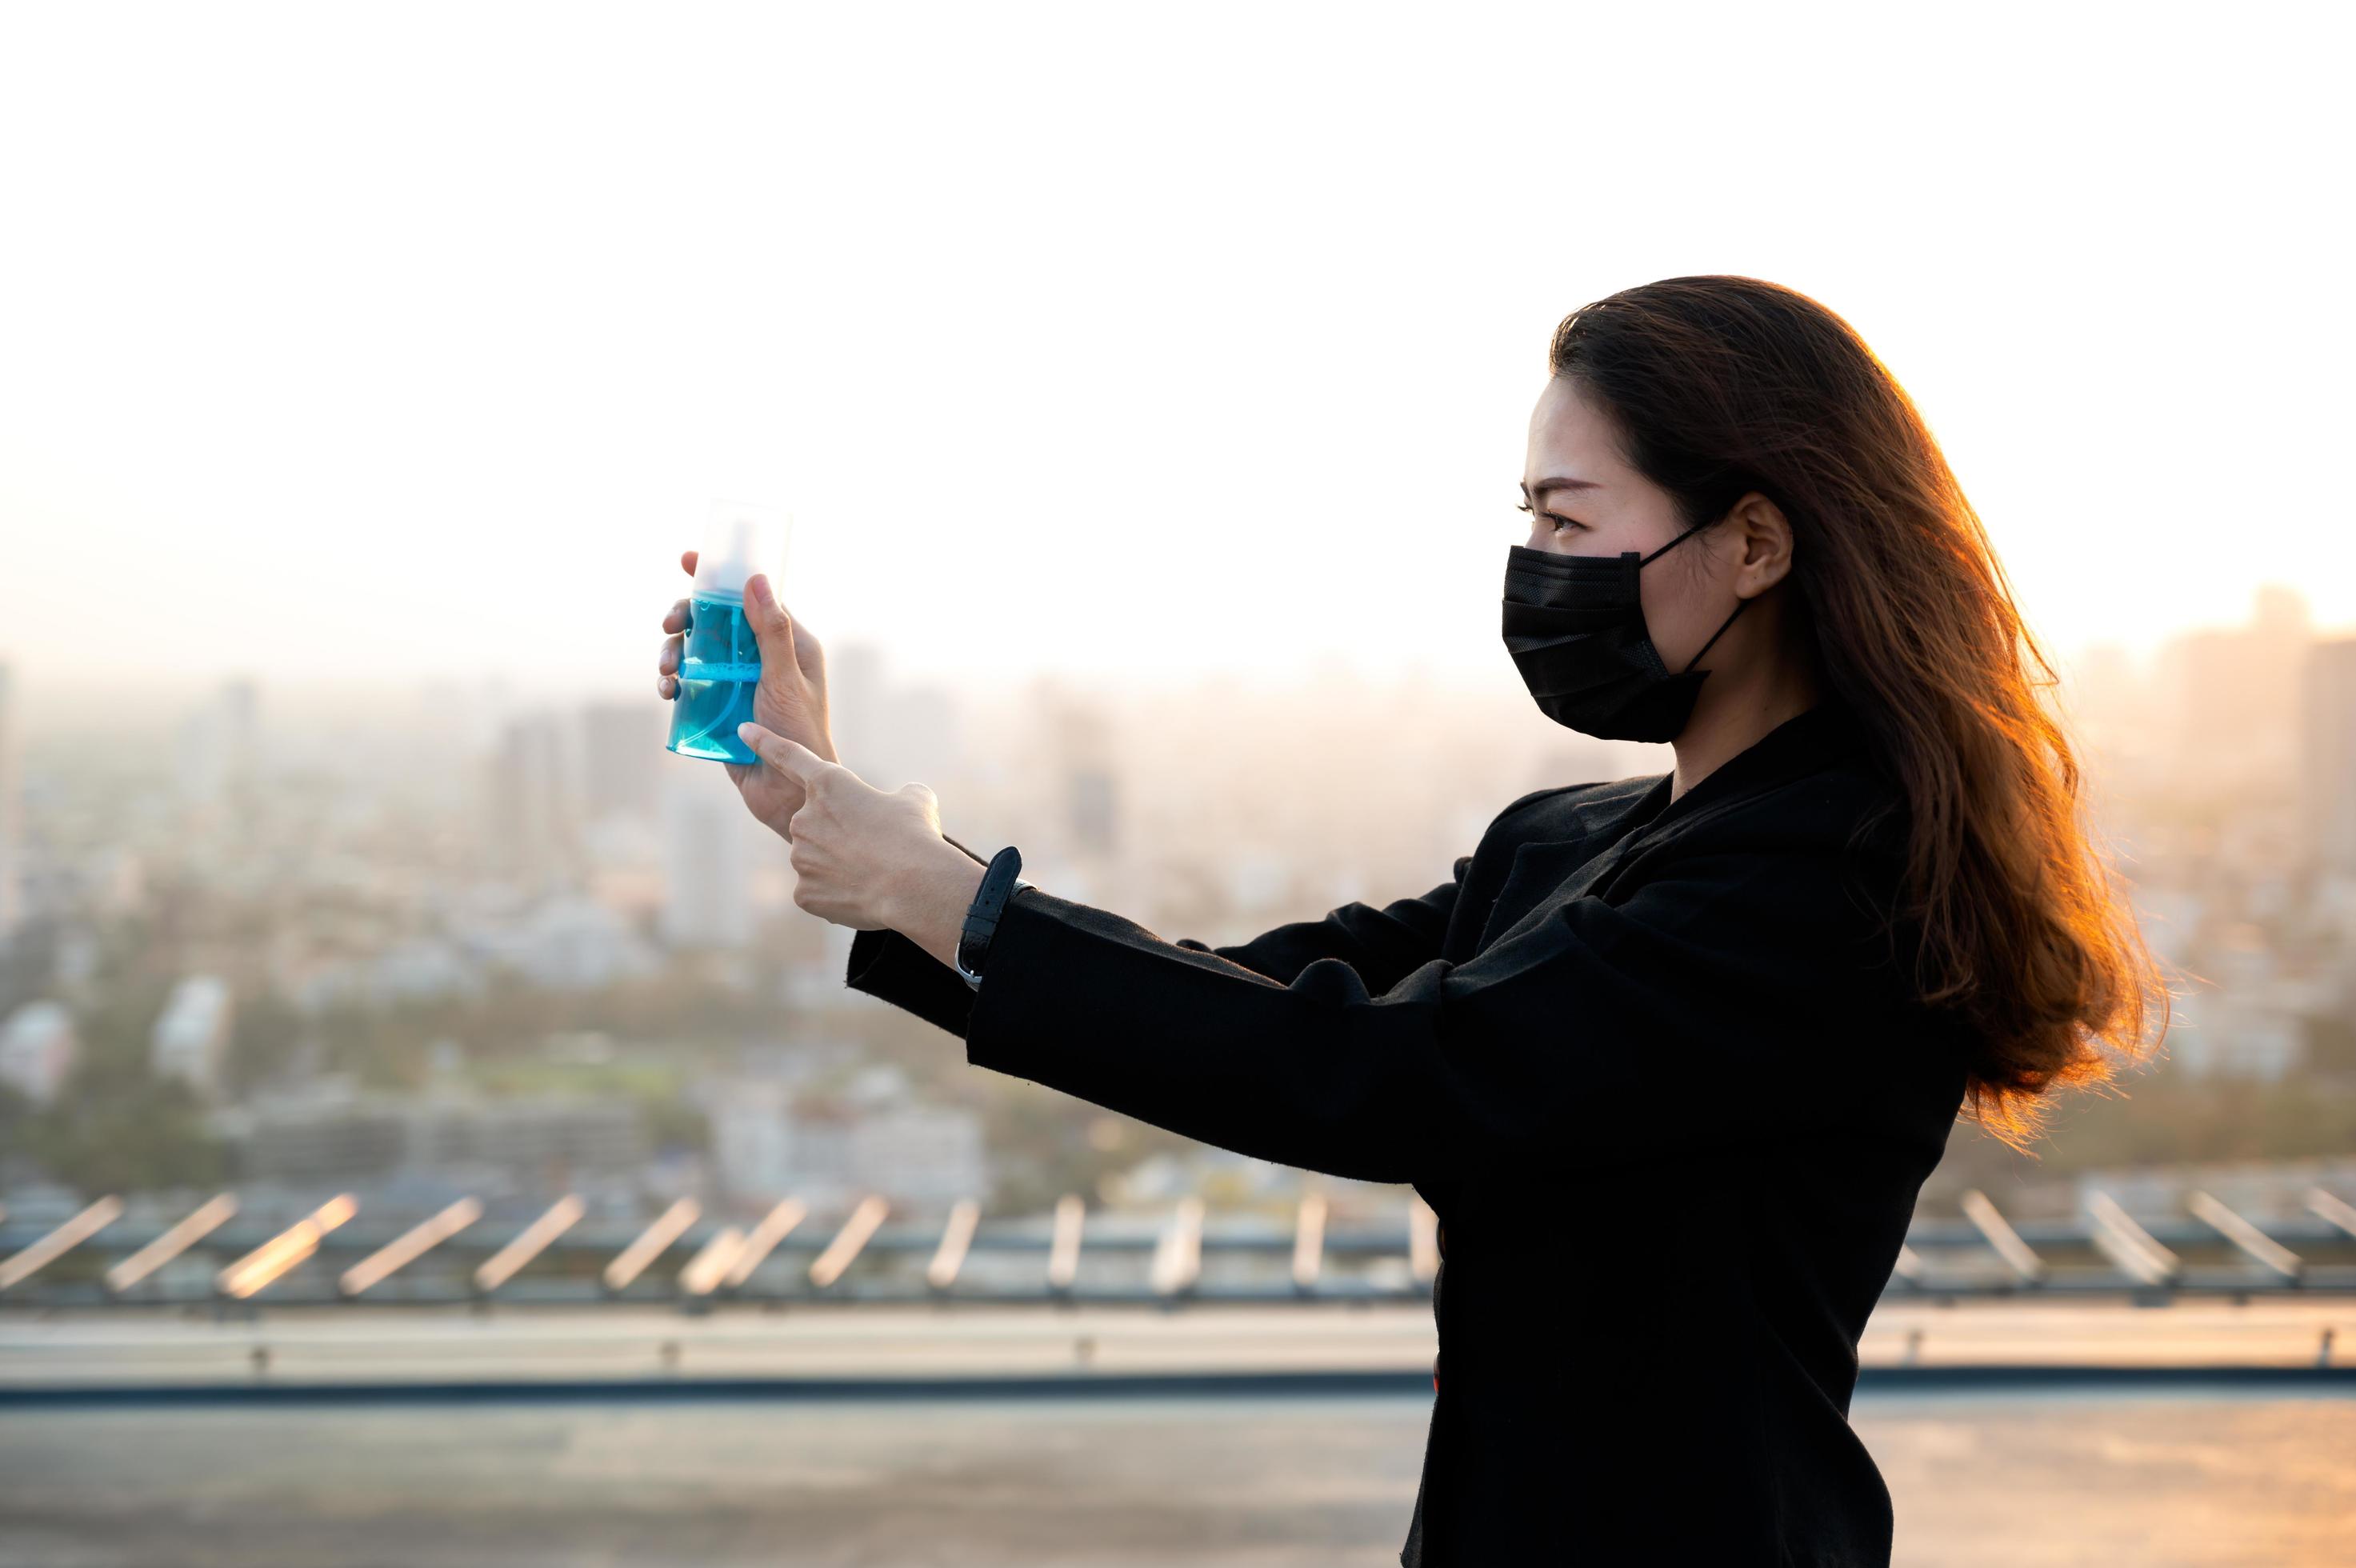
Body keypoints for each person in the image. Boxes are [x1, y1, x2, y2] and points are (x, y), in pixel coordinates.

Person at [654, 274, 2170, 1566]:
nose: (1535, 566)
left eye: (1573, 520)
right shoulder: (1574, 839)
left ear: (1758, 544)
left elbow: (1381, 1075)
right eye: (1529, 516)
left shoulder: (1820, 885)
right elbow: (1246, 998)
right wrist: (841, 817)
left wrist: (945, 898)